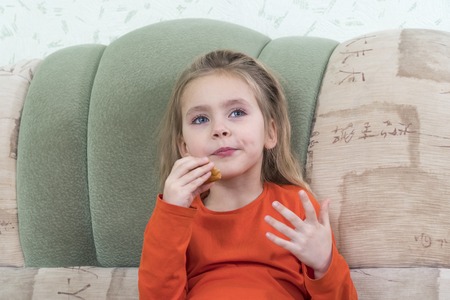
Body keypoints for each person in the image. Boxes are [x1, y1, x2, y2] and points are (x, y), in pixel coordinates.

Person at [138, 49, 357, 299]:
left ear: (270, 133)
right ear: (184, 147)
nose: (219, 129)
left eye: (237, 113)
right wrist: (171, 214)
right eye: (200, 119)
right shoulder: (176, 217)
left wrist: (324, 264)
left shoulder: (296, 205)